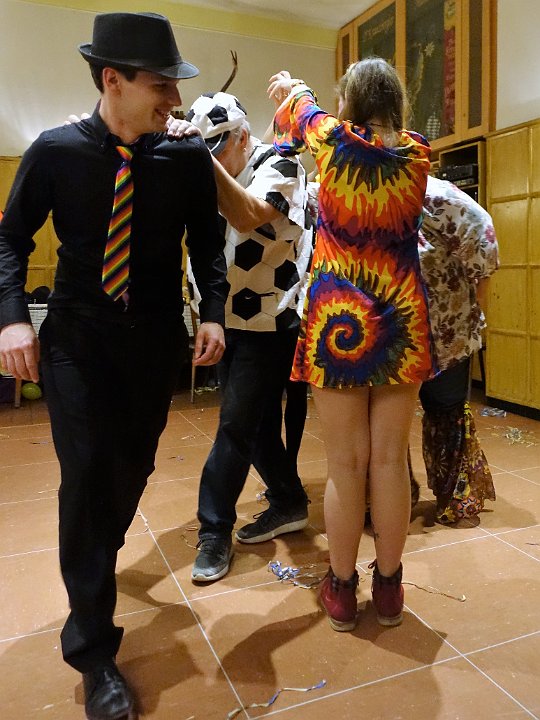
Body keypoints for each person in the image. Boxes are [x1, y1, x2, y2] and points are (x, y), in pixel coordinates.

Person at [0, 13, 228, 720]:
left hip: (155, 340)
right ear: (113, 81)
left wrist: (214, 311)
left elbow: (207, 242)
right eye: (162, 85)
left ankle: (98, 547)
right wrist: (12, 316)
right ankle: (94, 651)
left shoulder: (186, 158)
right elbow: (9, 240)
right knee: (87, 472)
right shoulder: (55, 151)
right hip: (77, 339)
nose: (175, 100)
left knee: (130, 467)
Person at [267, 60, 437, 632]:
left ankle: (340, 590)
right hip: (401, 318)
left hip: (338, 317)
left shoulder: (332, 140)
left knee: (345, 464)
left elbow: (299, 108)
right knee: (389, 460)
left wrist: (292, 86)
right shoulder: (418, 153)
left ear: (351, 101)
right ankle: (389, 588)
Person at [168, 91, 313, 583]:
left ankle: (214, 531)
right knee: (254, 426)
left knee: (233, 426)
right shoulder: (213, 167)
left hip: (270, 321)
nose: (209, 156)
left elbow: (249, 214)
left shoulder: (282, 165)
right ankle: (289, 500)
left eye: (216, 146)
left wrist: (198, 156)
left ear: (243, 137)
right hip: (226, 320)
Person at [418, 175, 498, 523]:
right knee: (382, 423)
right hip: (385, 329)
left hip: (445, 327)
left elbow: (484, 244)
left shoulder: (441, 196)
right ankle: (390, 492)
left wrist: (473, 318)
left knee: (446, 409)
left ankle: (455, 493)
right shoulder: (357, 189)